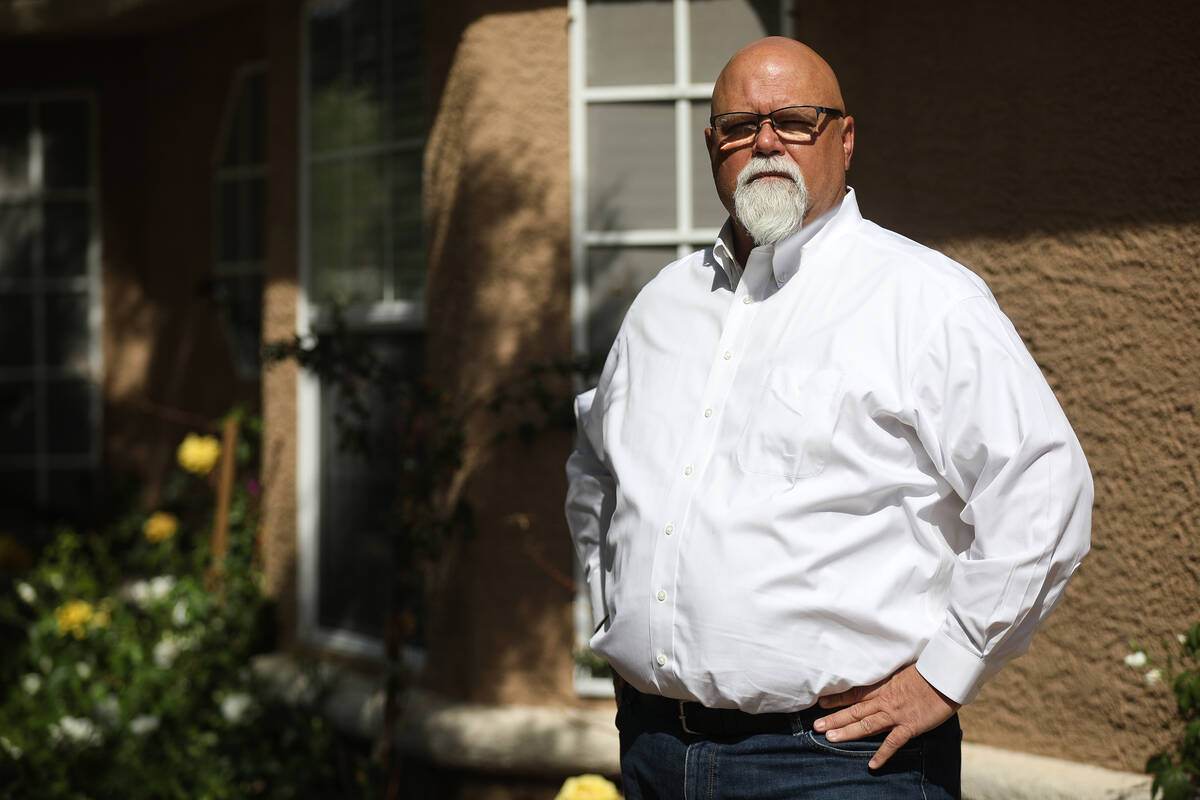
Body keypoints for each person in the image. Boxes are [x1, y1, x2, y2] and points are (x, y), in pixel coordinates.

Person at [565, 37, 1092, 800]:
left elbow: (1043, 490)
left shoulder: (924, 301)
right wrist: (618, 622)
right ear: (712, 146)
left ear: (845, 140)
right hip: (653, 752)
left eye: (796, 121)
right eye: (741, 125)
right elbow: (597, 473)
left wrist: (947, 672)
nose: (767, 142)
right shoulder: (663, 307)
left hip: (836, 766)